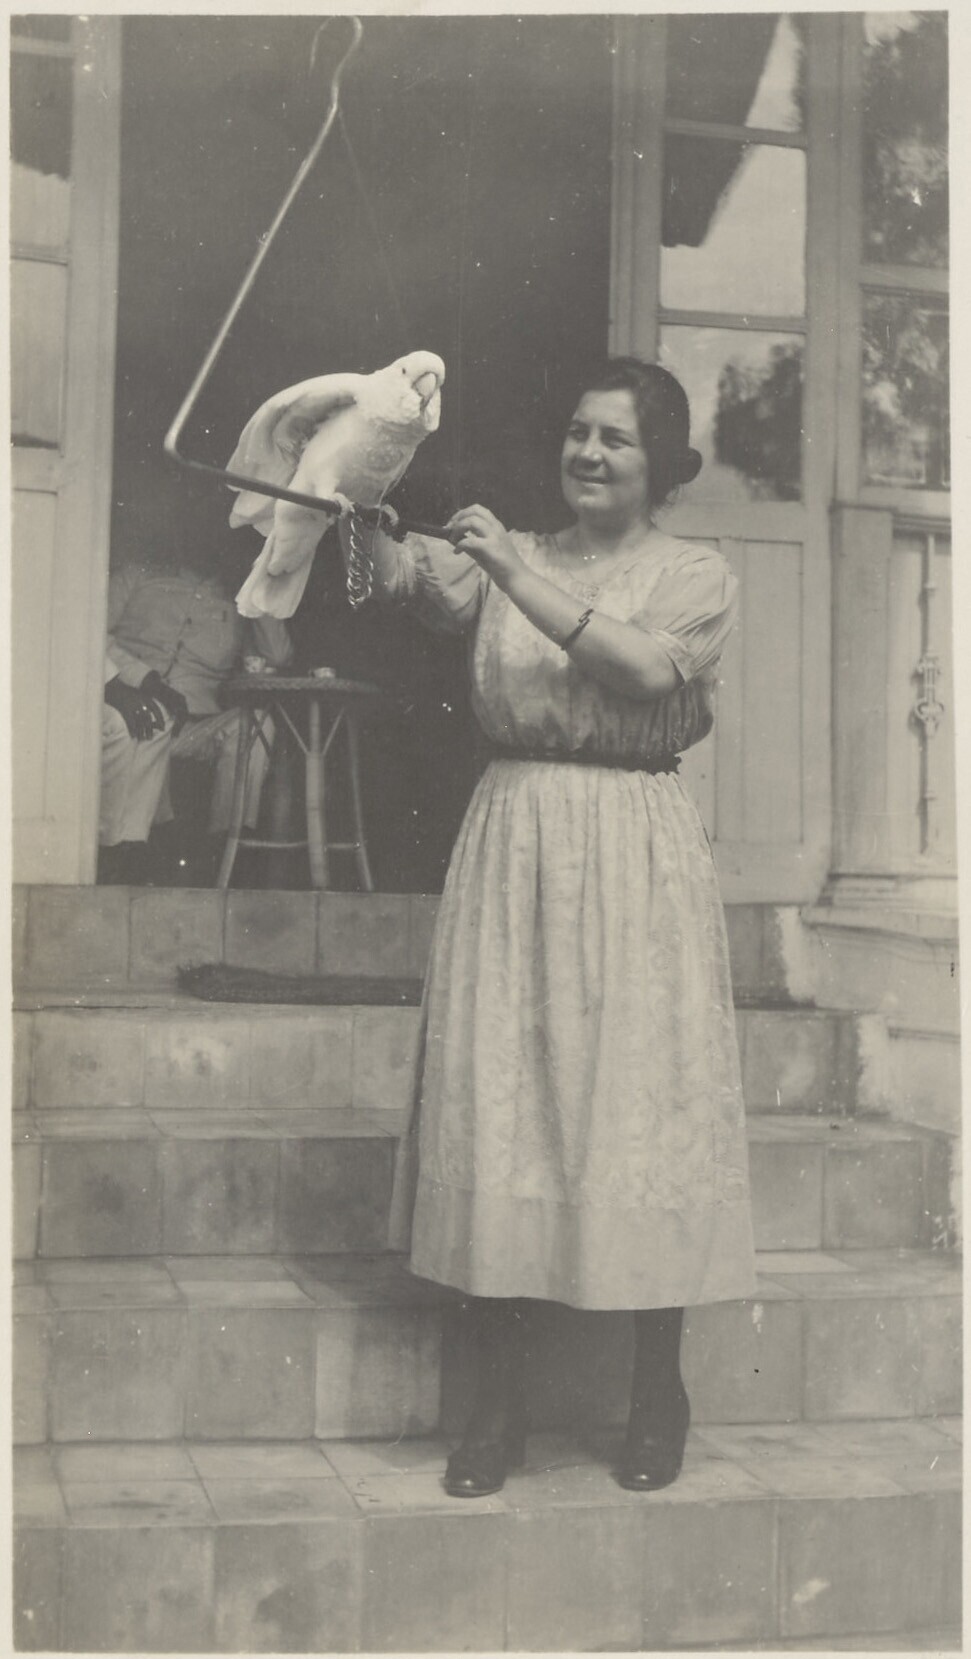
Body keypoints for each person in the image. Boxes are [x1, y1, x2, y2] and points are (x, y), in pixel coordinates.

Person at [352, 357, 757, 1498]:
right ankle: (498, 1407)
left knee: (639, 1103)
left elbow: (638, 670)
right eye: (577, 431)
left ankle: (655, 1392)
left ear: (660, 463)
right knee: (507, 1104)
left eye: (614, 439)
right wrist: (355, 495)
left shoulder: (693, 574)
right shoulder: (506, 553)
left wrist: (510, 571)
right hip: (515, 835)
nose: (586, 453)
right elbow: (388, 579)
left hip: (633, 847)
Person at [100, 550, 293, 883]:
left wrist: (256, 588)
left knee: (257, 725)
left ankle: (228, 848)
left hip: (195, 726)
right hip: (131, 707)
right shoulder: (137, 573)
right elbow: (90, 630)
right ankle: (126, 855)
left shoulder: (240, 600)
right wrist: (137, 679)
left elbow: (277, 655)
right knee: (149, 721)